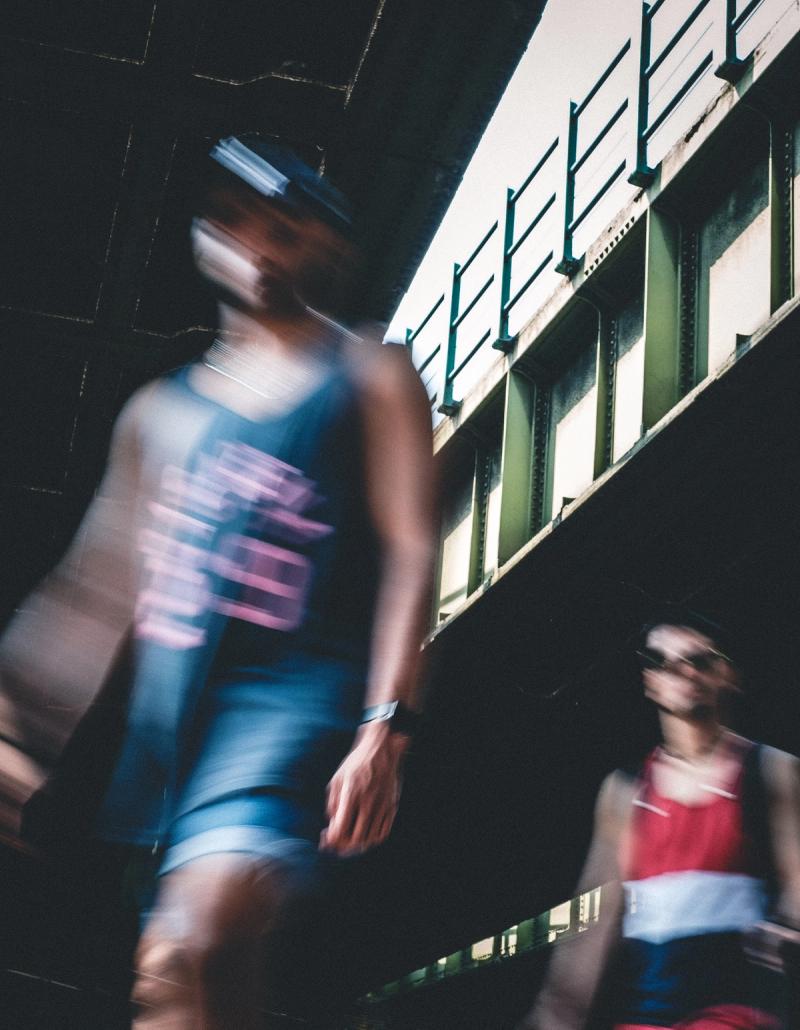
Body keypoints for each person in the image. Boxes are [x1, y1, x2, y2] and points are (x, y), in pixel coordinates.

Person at [1, 136, 436, 1027]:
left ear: (326, 247)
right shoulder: (159, 414)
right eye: (235, 223)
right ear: (204, 237)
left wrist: (386, 724)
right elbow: (97, 592)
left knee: (181, 951)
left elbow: (410, 553)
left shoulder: (369, 373)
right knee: (206, 987)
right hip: (177, 744)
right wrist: (16, 720)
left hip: (291, 711)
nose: (260, 246)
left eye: (285, 227)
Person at [520, 609, 800, 1030]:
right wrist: (557, 1010)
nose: (681, 671)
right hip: (651, 1011)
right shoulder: (624, 792)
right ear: (650, 683)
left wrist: (788, 925)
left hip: (737, 1006)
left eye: (699, 660)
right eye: (661, 662)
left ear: (727, 674)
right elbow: (596, 922)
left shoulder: (771, 769)